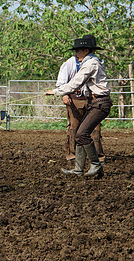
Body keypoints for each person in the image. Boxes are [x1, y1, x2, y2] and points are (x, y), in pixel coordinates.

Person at [46, 35, 112, 178]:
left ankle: (95, 165)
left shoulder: (91, 64)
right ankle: (78, 169)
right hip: (95, 102)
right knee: (80, 134)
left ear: (86, 50)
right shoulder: (92, 62)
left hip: (100, 103)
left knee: (82, 134)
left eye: (78, 51)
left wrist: (56, 92)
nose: (75, 54)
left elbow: (76, 82)